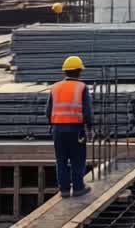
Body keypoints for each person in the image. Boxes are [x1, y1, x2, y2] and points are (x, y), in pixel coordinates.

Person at [47, 56, 92, 198]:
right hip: (75, 129)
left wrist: (55, 124)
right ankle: (78, 188)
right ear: (79, 71)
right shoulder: (82, 87)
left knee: (61, 160)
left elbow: (47, 111)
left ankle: (64, 190)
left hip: (58, 130)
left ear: (65, 71)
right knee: (77, 159)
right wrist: (89, 128)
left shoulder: (55, 87)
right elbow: (88, 112)